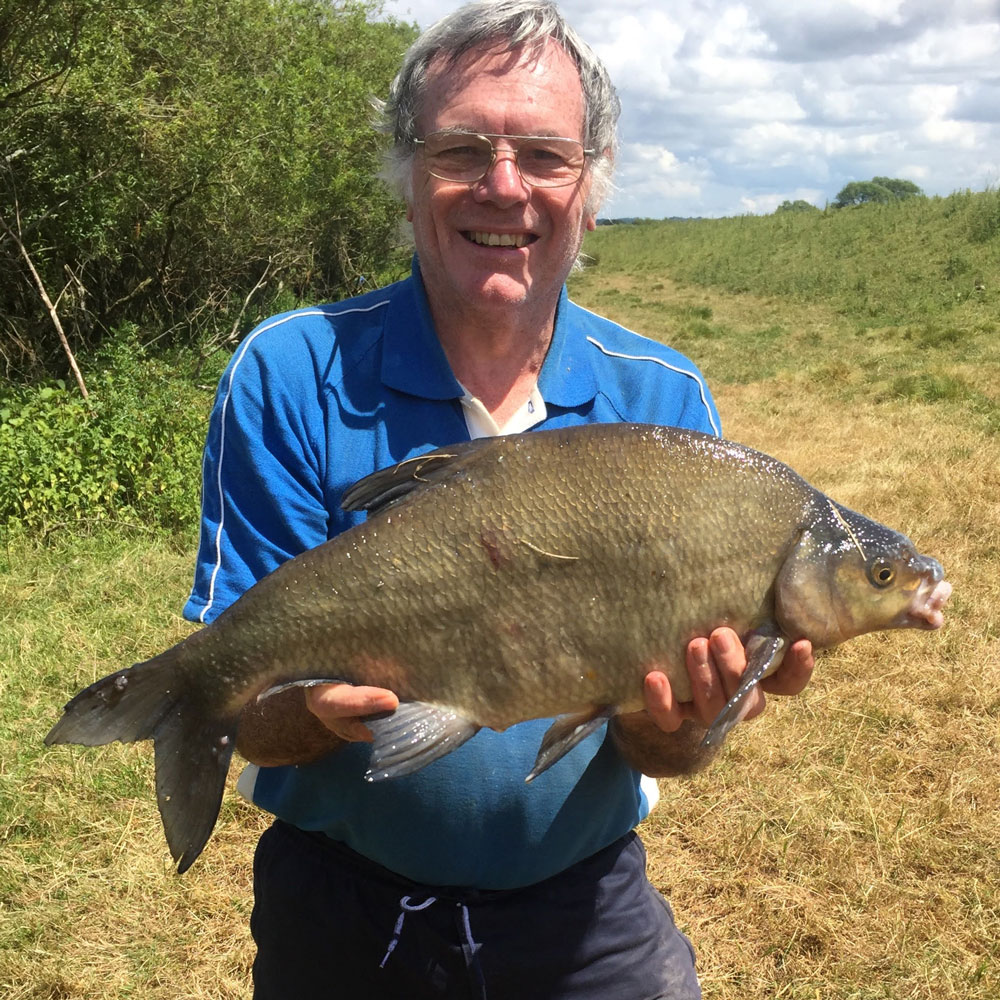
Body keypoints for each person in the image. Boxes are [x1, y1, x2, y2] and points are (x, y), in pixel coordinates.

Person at [183, 2, 814, 997]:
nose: (504, 184)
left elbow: (675, 750)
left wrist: (679, 725)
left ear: (591, 190)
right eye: (462, 147)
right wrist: (305, 709)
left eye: (544, 155)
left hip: (582, 900)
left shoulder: (664, 404)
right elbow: (248, 712)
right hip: (343, 904)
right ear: (406, 178)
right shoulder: (289, 372)